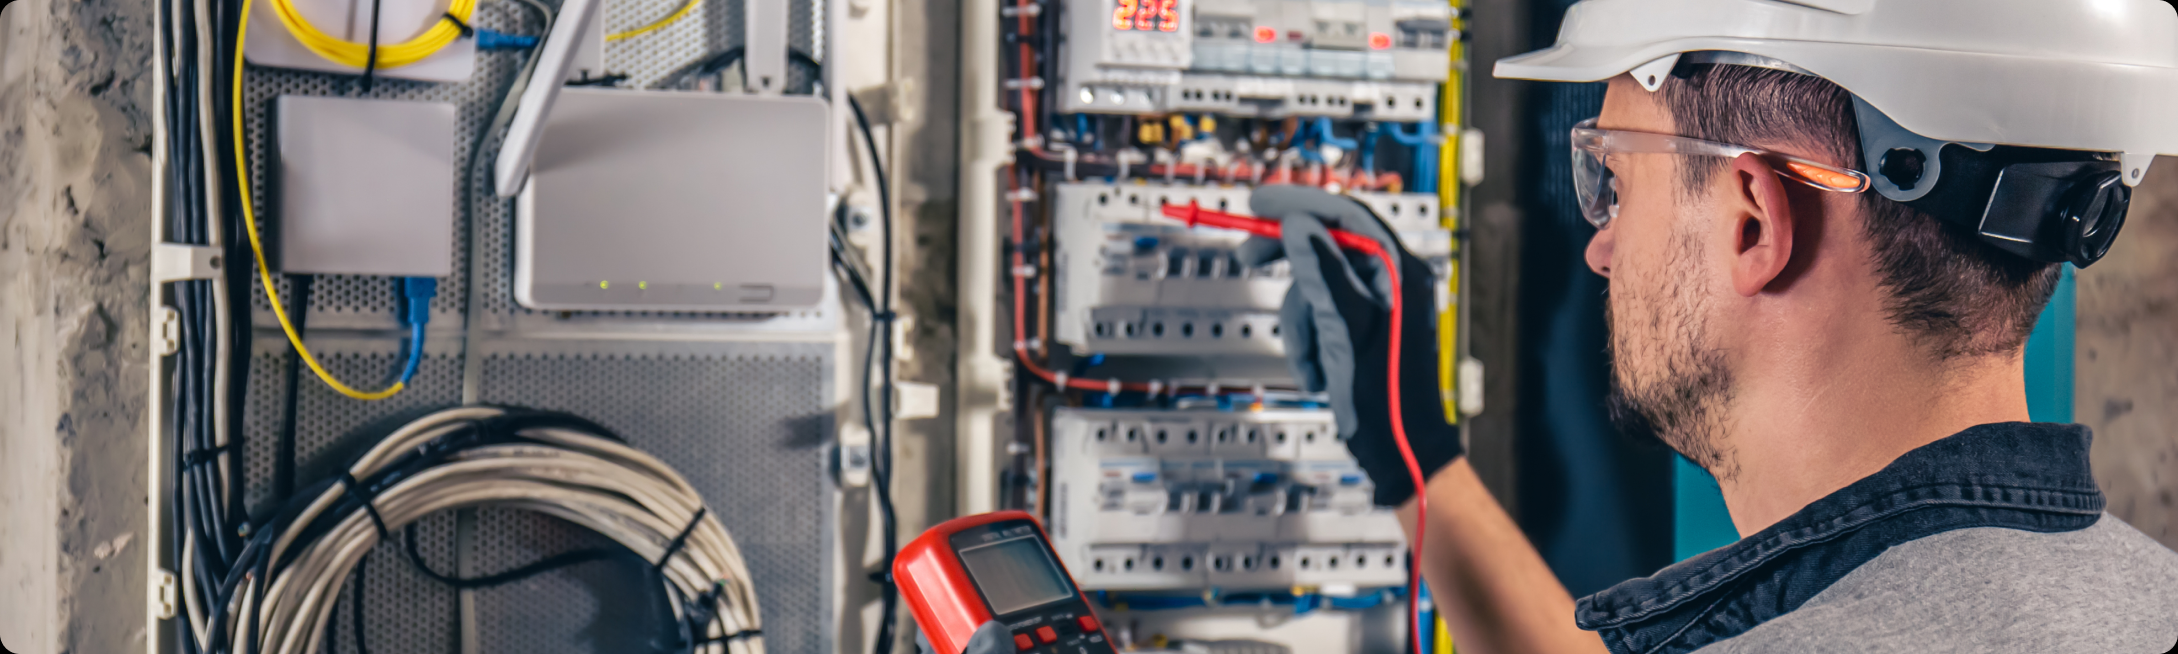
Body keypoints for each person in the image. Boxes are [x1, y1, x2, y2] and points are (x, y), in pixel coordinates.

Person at [927, 0, 2178, 652]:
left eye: (1613, 177)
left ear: (1753, 217)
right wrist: (1418, 467)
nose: (1599, 244)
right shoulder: (2138, 600)